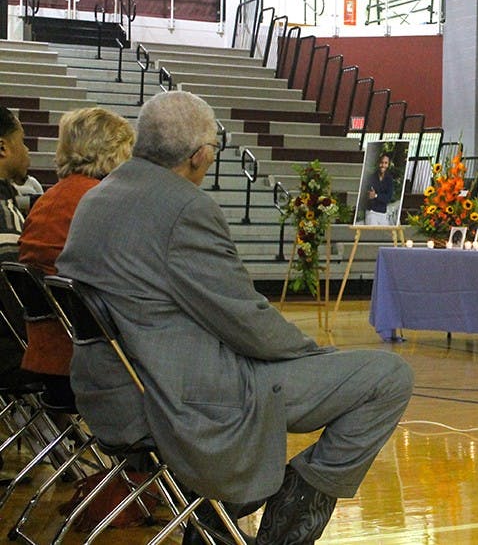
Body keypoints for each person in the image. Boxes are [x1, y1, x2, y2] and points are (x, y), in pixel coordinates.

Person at [58, 91, 414, 545]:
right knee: (389, 376)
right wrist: (312, 354)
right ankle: (283, 529)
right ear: (200, 156)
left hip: (110, 393)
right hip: (181, 399)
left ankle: (220, 518)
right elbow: (247, 322)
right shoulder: (184, 208)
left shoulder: (97, 198)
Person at [18, 107, 134, 408]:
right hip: (87, 363)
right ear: (111, 151)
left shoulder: (48, 199)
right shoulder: (101, 200)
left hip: (44, 354)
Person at [0, 107, 33, 389]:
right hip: (10, 357)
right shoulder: (4, 214)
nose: (27, 151)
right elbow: (16, 299)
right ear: (3, 148)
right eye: (22, 141)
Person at [363, 152, 395, 225]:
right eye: (381, 162)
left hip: (383, 213)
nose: (383, 165)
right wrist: (376, 196)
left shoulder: (389, 179)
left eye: (385, 163)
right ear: (378, 163)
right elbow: (368, 196)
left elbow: (388, 198)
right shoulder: (371, 177)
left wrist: (376, 196)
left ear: (388, 164)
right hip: (372, 212)